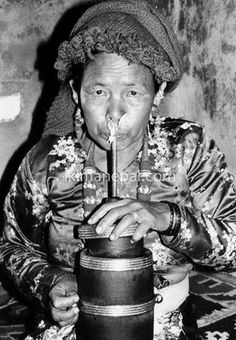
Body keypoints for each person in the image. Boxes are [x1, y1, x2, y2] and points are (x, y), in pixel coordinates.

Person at [0, 0, 236, 339]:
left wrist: (168, 217)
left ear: (157, 95)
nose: (114, 113)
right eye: (98, 92)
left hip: (165, 322)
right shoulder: (48, 160)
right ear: (76, 93)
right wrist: (48, 282)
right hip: (73, 324)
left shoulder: (186, 148)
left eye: (133, 92)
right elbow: (10, 246)